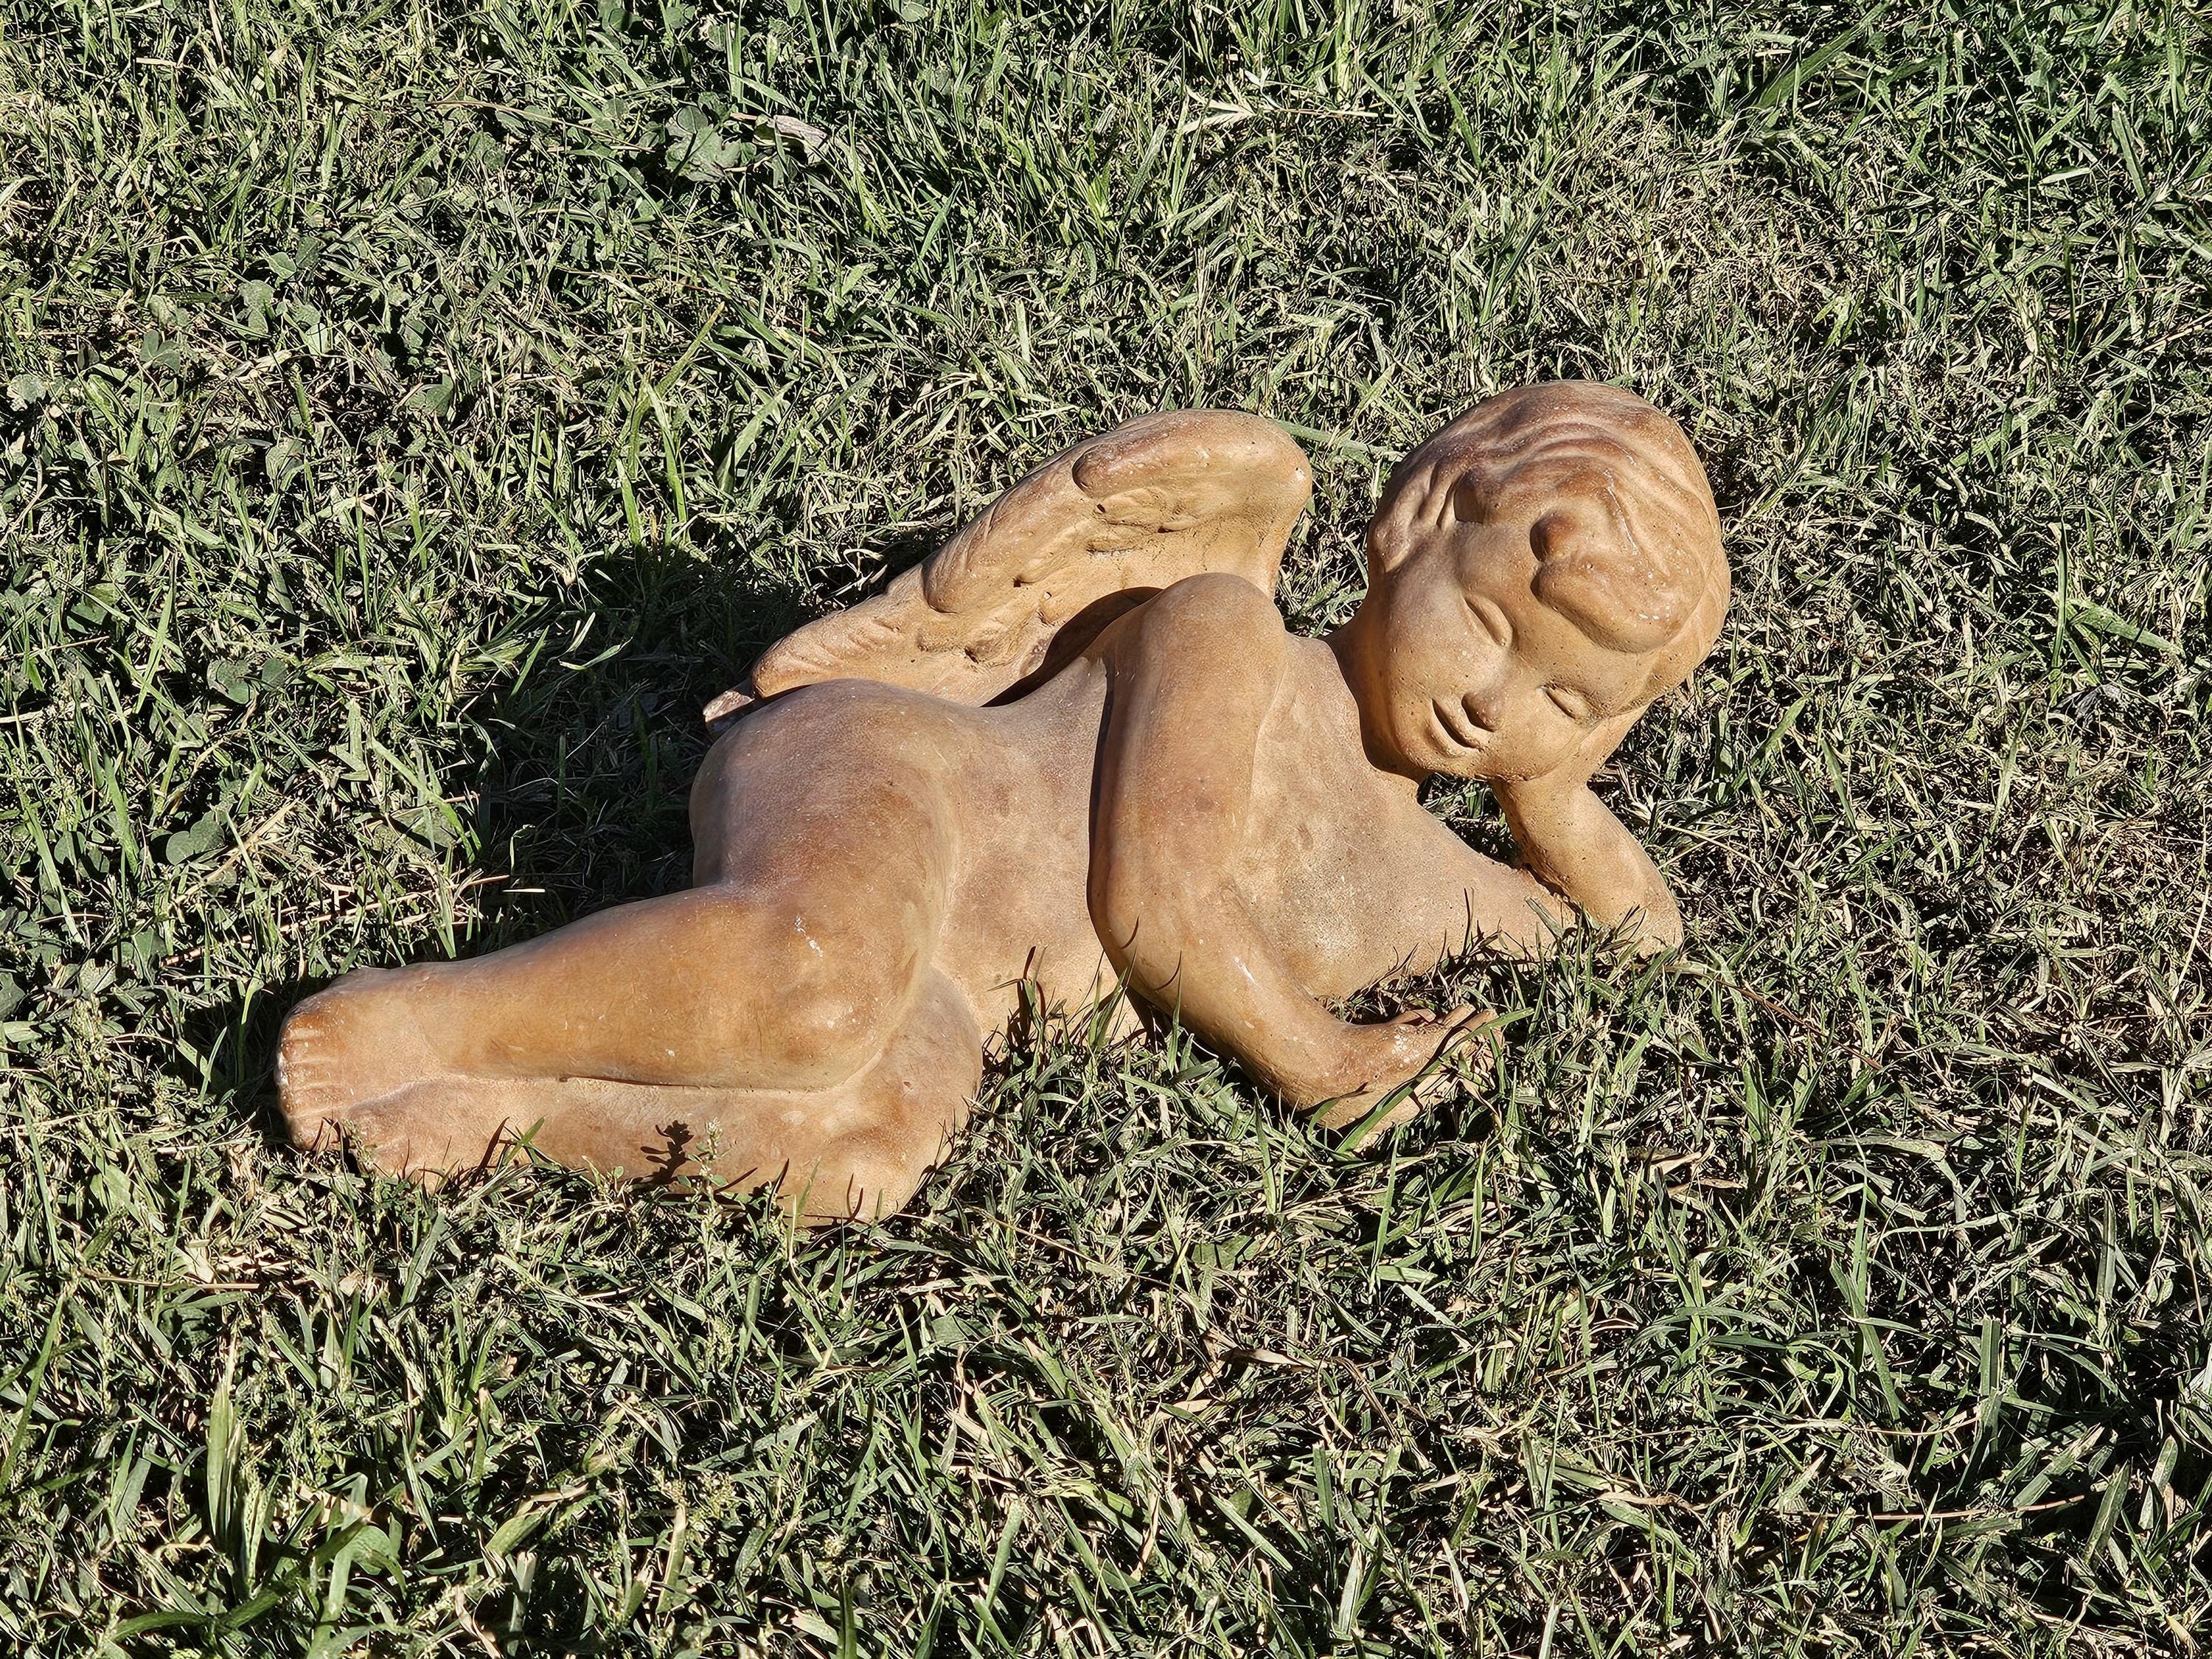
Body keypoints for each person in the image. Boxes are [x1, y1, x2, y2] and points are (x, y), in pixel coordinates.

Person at [277, 381, 1728, 1222]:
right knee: (815, 987)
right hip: (898, 791)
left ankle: (502, 1110)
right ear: (1415, 525)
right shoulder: (1228, 632)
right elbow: (1159, 904)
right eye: (1489, 626)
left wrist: (1556, 794)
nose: (1492, 702)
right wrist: (1324, 1059)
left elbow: (1638, 945)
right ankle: (419, 1020)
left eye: (1561, 697)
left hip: (957, 991)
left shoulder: (1411, 875)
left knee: (862, 1160)